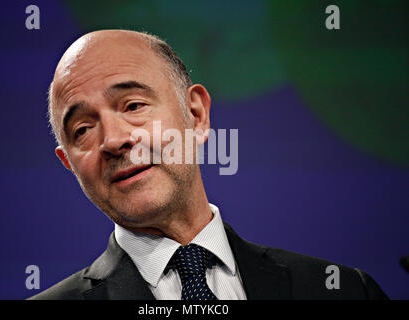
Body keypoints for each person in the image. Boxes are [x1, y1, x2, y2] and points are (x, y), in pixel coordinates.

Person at [30, 29, 388, 300]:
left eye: (133, 106)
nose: (113, 140)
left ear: (196, 115)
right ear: (69, 163)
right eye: (82, 130)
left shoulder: (343, 291)